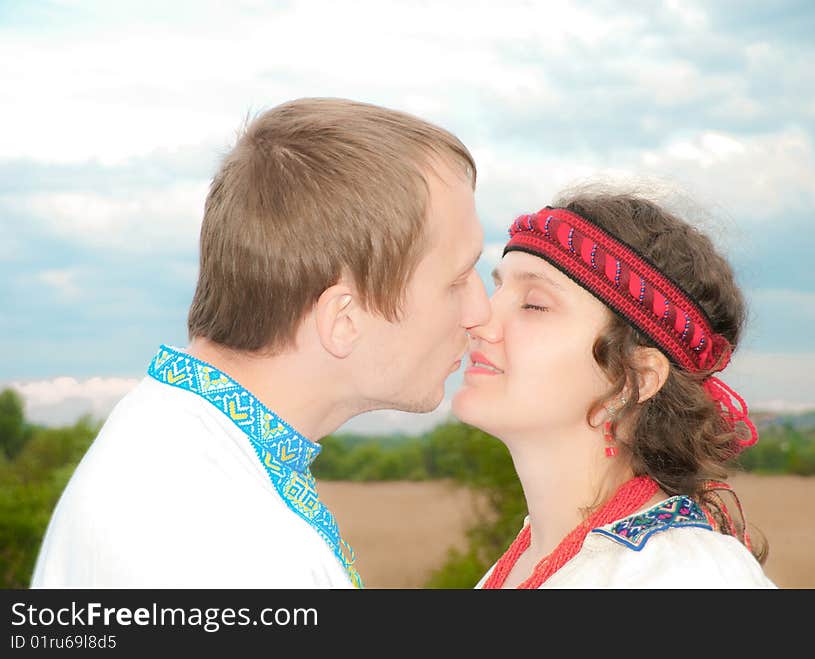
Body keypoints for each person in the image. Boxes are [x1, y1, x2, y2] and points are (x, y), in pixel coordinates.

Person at [31, 98, 490, 588]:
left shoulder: (182, 449)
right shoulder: (232, 550)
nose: (480, 313)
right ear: (345, 319)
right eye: (458, 279)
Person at [452, 188, 777, 588]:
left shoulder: (685, 575)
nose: (478, 319)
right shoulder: (528, 563)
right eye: (497, 288)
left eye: (534, 304)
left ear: (635, 379)